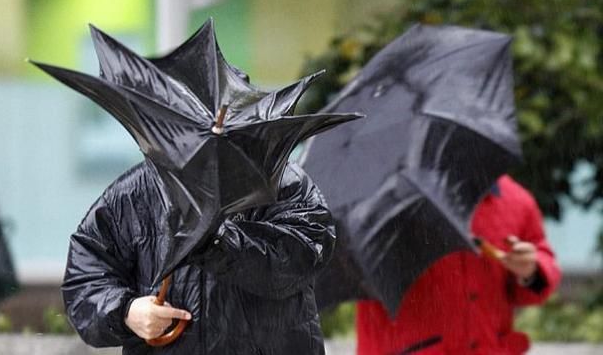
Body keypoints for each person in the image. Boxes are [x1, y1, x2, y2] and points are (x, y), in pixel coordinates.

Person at [62, 161, 335, 354]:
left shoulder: (283, 184)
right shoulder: (136, 193)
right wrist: (125, 311)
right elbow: (86, 275)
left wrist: (216, 239)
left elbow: (302, 255)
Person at [356, 175, 561, 355]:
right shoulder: (381, 195)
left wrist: (530, 271)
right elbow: (355, 269)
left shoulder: (516, 201)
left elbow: (542, 263)